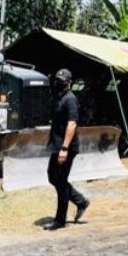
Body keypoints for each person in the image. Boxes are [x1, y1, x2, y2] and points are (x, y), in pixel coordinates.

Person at [45, 69, 91, 230]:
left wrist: (64, 148)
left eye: (63, 81)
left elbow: (72, 124)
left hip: (67, 147)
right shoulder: (57, 97)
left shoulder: (70, 99)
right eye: (58, 80)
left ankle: (60, 220)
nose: (59, 83)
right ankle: (81, 201)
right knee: (53, 177)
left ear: (69, 83)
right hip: (56, 145)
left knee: (61, 181)